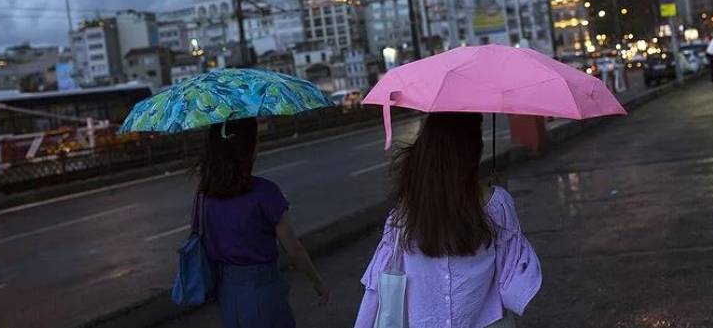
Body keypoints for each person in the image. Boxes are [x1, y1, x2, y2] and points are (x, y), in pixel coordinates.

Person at [354, 112, 541, 328]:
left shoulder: (404, 214)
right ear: (473, 151)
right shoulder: (496, 205)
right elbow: (513, 285)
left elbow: (377, 287)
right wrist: (498, 193)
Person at [195, 117, 328, 328]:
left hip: (228, 292)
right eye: (256, 139)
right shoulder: (265, 193)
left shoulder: (205, 194)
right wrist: (317, 281)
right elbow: (293, 250)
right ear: (247, 148)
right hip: (263, 290)